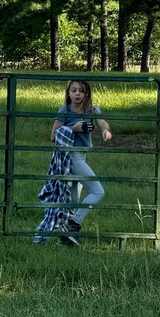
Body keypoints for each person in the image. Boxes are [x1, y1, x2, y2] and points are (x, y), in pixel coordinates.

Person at [50, 79, 112, 235]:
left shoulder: (91, 110)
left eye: (82, 91)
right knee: (97, 191)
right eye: (74, 90)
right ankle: (74, 222)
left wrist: (105, 130)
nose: (78, 94)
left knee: (74, 199)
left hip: (81, 156)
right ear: (68, 92)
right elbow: (53, 136)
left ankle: (66, 235)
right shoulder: (64, 111)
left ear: (87, 93)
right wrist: (73, 128)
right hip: (70, 155)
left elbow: (102, 122)